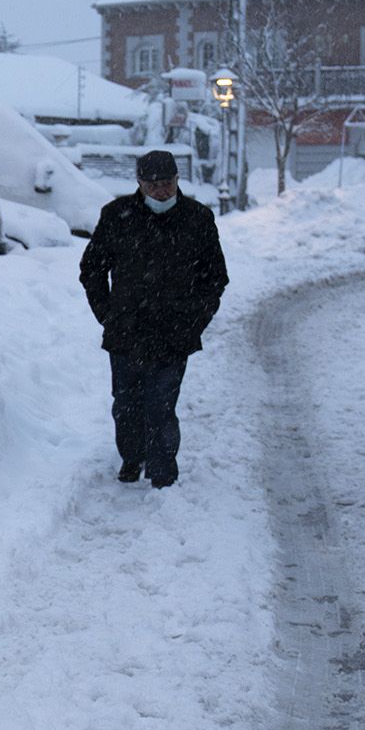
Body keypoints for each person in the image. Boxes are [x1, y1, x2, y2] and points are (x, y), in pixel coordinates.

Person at [77, 150, 229, 488]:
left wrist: (196, 319)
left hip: (175, 331)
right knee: (127, 403)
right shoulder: (118, 216)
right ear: (140, 183)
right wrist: (108, 314)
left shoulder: (197, 218)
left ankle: (163, 471)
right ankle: (132, 457)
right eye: (153, 184)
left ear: (178, 180)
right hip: (126, 330)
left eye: (167, 183)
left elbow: (214, 277)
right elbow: (92, 269)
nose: (161, 191)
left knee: (161, 404)